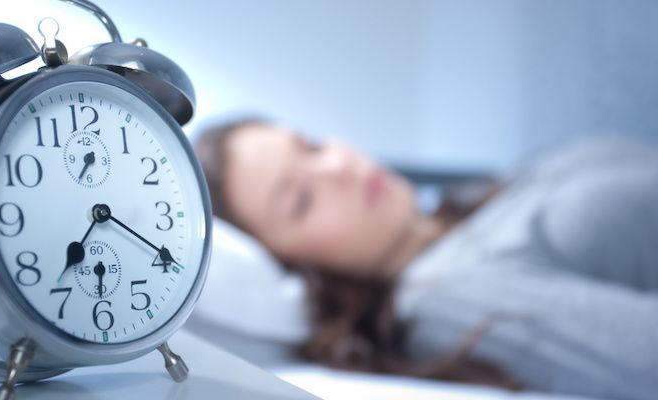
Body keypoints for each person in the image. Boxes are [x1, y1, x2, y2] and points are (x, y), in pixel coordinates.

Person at [193, 118, 658, 400]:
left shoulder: (466, 202)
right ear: (298, 273)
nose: (337, 168)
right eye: (301, 200)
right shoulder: (443, 299)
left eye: (312, 146)